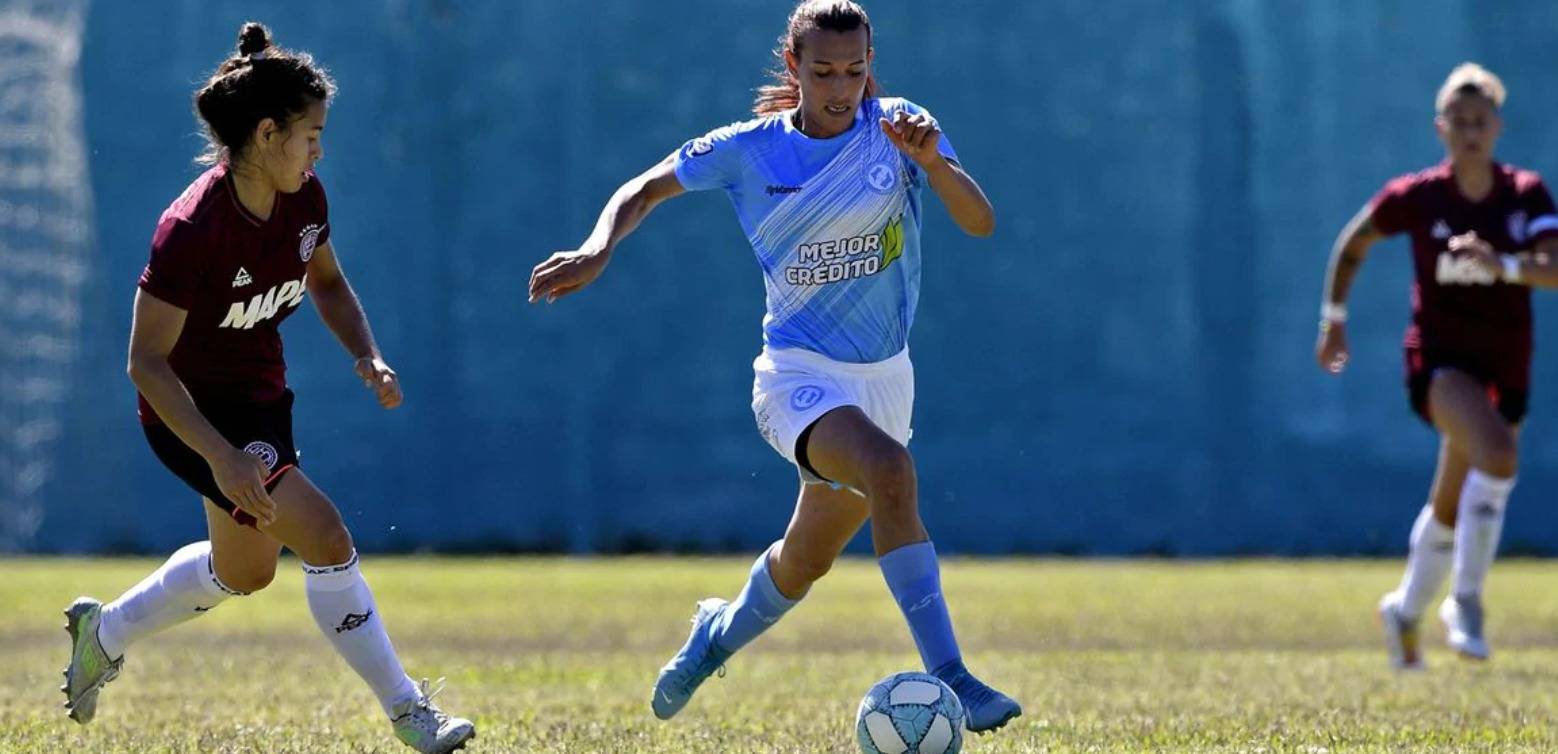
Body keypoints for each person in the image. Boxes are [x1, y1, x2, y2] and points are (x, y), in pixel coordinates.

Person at [528, 0, 1021, 732]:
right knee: (890, 470)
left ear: (870, 66)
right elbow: (645, 187)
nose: (840, 87)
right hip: (797, 376)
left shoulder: (901, 127)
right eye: (823, 71)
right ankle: (951, 674)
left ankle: (714, 637)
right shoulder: (749, 149)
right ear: (793, 66)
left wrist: (932, 162)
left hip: (886, 380)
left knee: (805, 561)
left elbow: (980, 221)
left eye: (854, 70)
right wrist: (598, 248)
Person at [59, 23, 475, 753]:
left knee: (244, 572)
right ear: (266, 132)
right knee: (326, 536)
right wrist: (221, 457)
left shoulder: (304, 199)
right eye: (311, 134)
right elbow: (145, 363)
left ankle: (106, 633)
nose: (319, 151)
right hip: (189, 413)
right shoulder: (191, 230)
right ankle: (410, 712)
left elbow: (329, 283)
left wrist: (367, 354)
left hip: (259, 402)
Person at [1316, 62, 1558, 670]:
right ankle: (1466, 602)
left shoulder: (1524, 193)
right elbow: (1354, 242)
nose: (1470, 132)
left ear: (1497, 127)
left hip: (1507, 360)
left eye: (1481, 121)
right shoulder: (1419, 197)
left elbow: (1554, 268)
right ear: (1440, 128)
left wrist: (1502, 264)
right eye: (1459, 121)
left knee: (1453, 502)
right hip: (1441, 362)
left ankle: (1403, 610)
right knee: (1498, 456)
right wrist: (1333, 317)